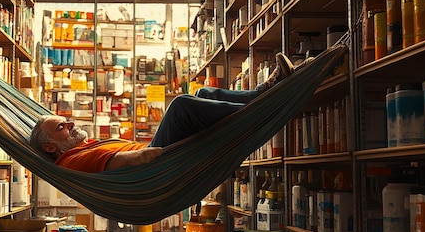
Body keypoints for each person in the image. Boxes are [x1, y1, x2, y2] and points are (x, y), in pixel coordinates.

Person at [30, 53, 298, 173]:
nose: (70, 122)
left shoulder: (84, 146)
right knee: (181, 106)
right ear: (52, 146)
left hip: (154, 154)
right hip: (154, 164)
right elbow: (112, 164)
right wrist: (141, 156)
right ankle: (261, 106)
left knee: (203, 94)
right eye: (61, 126)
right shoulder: (70, 161)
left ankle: (262, 94)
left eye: (65, 120)